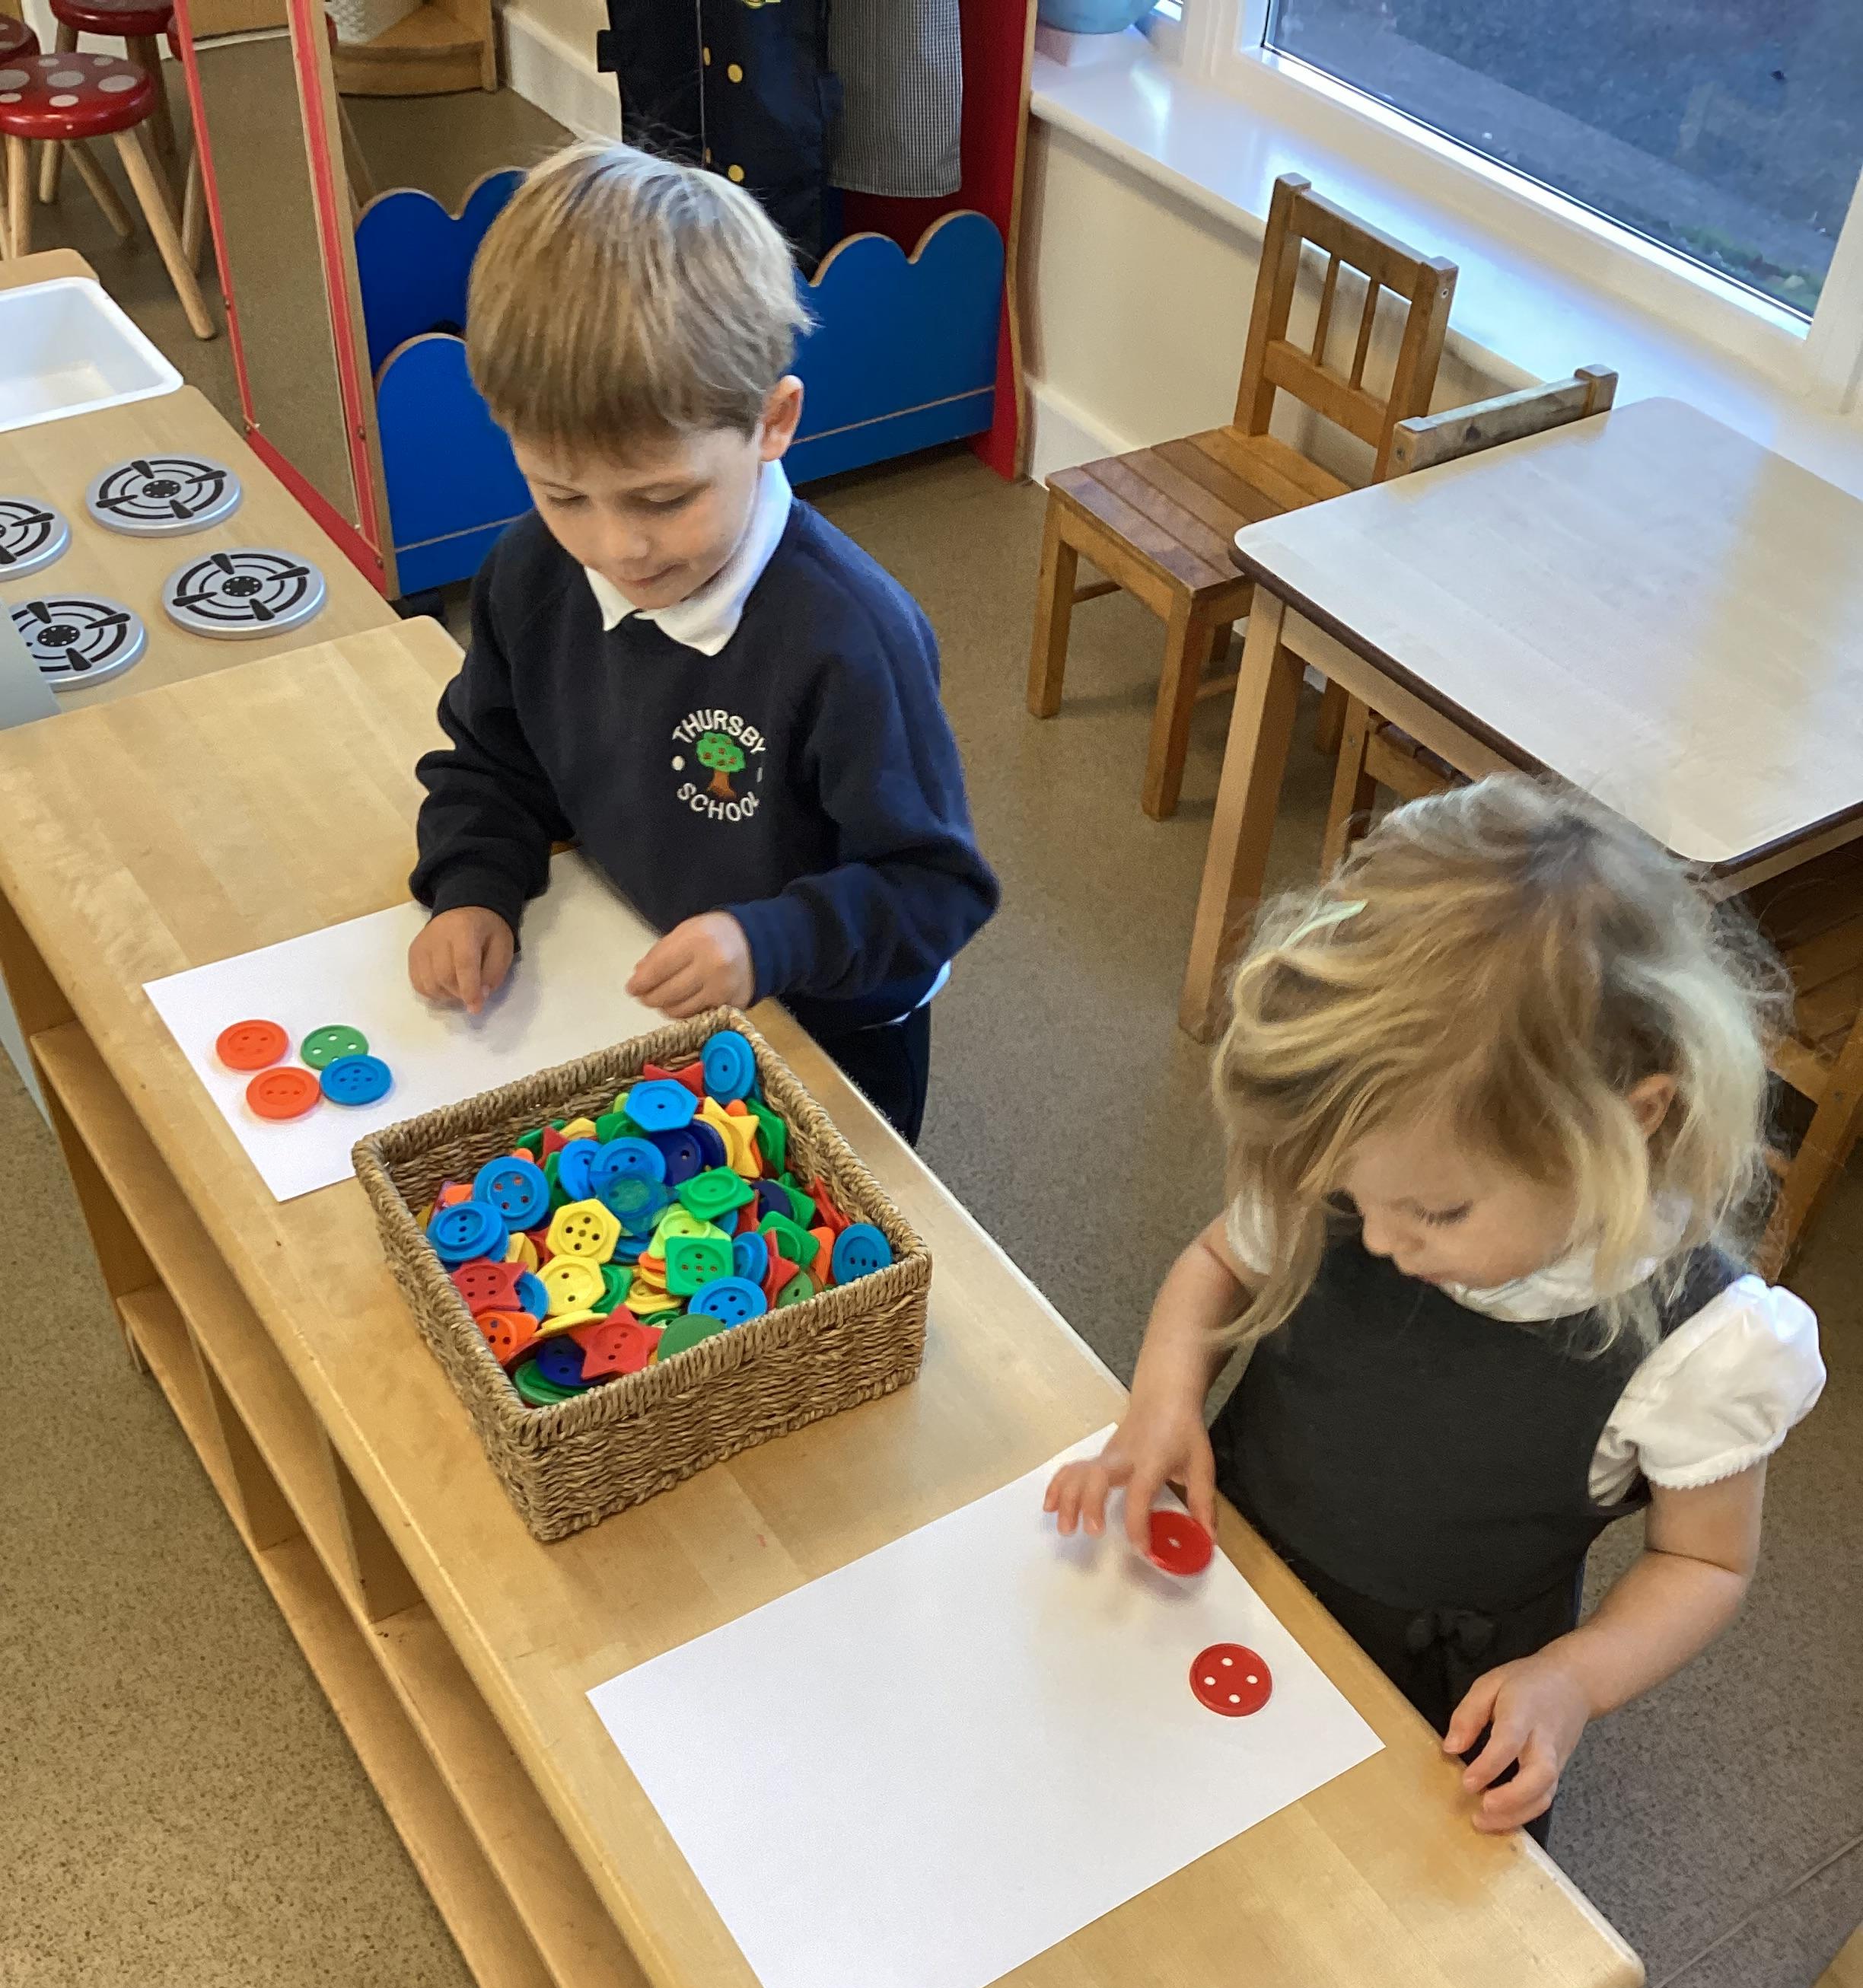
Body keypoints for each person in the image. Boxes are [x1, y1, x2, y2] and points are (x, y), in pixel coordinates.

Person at [1046, 779, 1824, 1840]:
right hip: (1241, 1567)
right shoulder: (1379, 1154)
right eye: (1354, 1198)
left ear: (1626, 1126)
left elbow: (1704, 1562)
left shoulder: (1707, 1345)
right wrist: (1164, 1396)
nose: (1374, 1240)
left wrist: (1575, 1679)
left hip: (1432, 1688)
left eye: (1435, 1213)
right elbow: (1218, 1260)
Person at [406, 141, 998, 1146]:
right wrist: (472, 887)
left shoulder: (851, 638)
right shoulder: (529, 571)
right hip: (636, 981)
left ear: (773, 423)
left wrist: (766, 941)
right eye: (562, 495)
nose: (617, 549)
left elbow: (936, 890)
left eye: (663, 498)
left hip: (828, 1027)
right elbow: (494, 762)